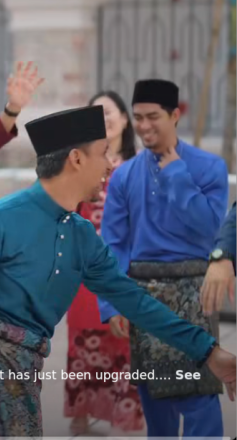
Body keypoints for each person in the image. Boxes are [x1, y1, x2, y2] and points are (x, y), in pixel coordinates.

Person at [0, 104, 237, 437]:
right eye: (103, 153)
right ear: (76, 159)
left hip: (23, 379)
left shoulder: (82, 236)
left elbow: (137, 303)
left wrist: (208, 352)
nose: (110, 164)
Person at [99, 79, 231, 437]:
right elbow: (113, 243)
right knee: (155, 401)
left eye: (153, 116)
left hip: (195, 293)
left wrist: (176, 174)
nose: (143, 126)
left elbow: (210, 229)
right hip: (144, 299)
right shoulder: (124, 175)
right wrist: (112, 303)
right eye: (138, 117)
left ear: (174, 116)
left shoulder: (209, 167)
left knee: (199, 394)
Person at [63, 90, 143, 435]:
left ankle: (124, 419)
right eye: (96, 113)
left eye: (109, 111)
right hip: (86, 269)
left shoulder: (140, 166)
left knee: (126, 342)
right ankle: (80, 418)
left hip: (130, 269)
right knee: (83, 339)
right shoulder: (81, 164)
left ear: (124, 119)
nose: (104, 118)